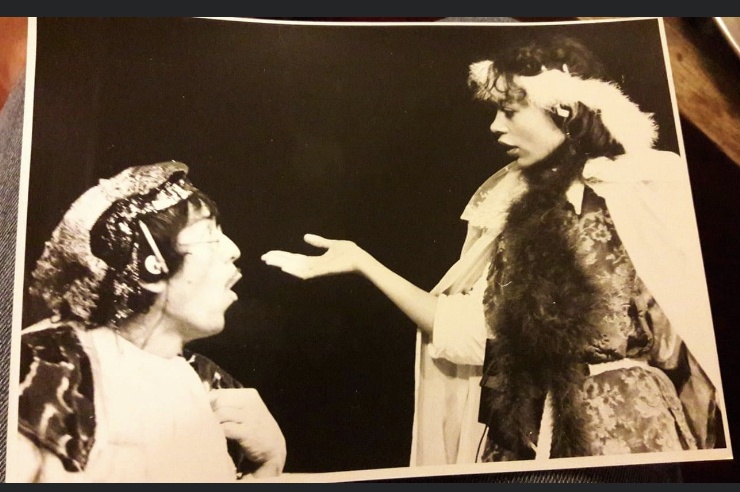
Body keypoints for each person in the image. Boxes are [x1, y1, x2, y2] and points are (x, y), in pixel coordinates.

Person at [261, 34, 724, 466]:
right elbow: (471, 335)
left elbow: (695, 335)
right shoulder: (514, 211)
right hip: (521, 437)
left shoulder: (644, 188)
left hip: (627, 433)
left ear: (562, 109)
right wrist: (363, 263)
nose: (495, 125)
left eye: (510, 110)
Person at [13, 161, 286, 482]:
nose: (234, 250)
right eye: (210, 235)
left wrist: (268, 468)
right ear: (151, 266)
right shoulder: (48, 366)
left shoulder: (212, 384)